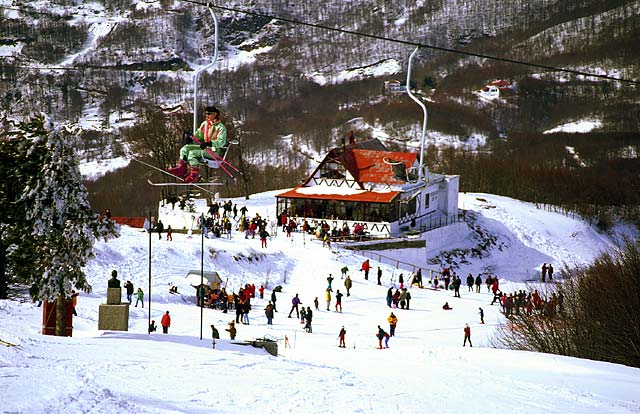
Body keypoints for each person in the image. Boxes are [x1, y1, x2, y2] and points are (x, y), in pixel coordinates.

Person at [167, 106, 228, 183]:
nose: (207, 115)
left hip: (215, 151)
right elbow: (198, 136)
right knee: (185, 148)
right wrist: (190, 139)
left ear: (215, 114)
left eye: (209, 114)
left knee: (192, 153)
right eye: (206, 114)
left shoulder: (221, 127)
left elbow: (221, 142)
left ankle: (194, 175)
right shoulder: (205, 124)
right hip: (206, 148)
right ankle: (182, 169)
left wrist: (210, 143)